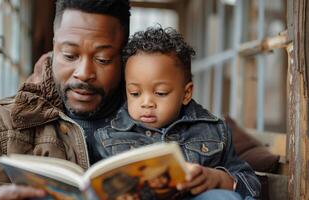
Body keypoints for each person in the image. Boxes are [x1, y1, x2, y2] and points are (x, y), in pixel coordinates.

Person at [0, 0, 130, 199]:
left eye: (103, 59)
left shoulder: (158, 118)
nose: (84, 73)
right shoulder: (0, 121)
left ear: (123, 56)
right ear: (54, 46)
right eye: (70, 55)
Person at [95, 26, 261, 199]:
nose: (146, 103)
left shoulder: (214, 131)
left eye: (160, 93)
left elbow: (250, 184)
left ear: (186, 93)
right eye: (135, 93)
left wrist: (218, 179)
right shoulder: (108, 137)